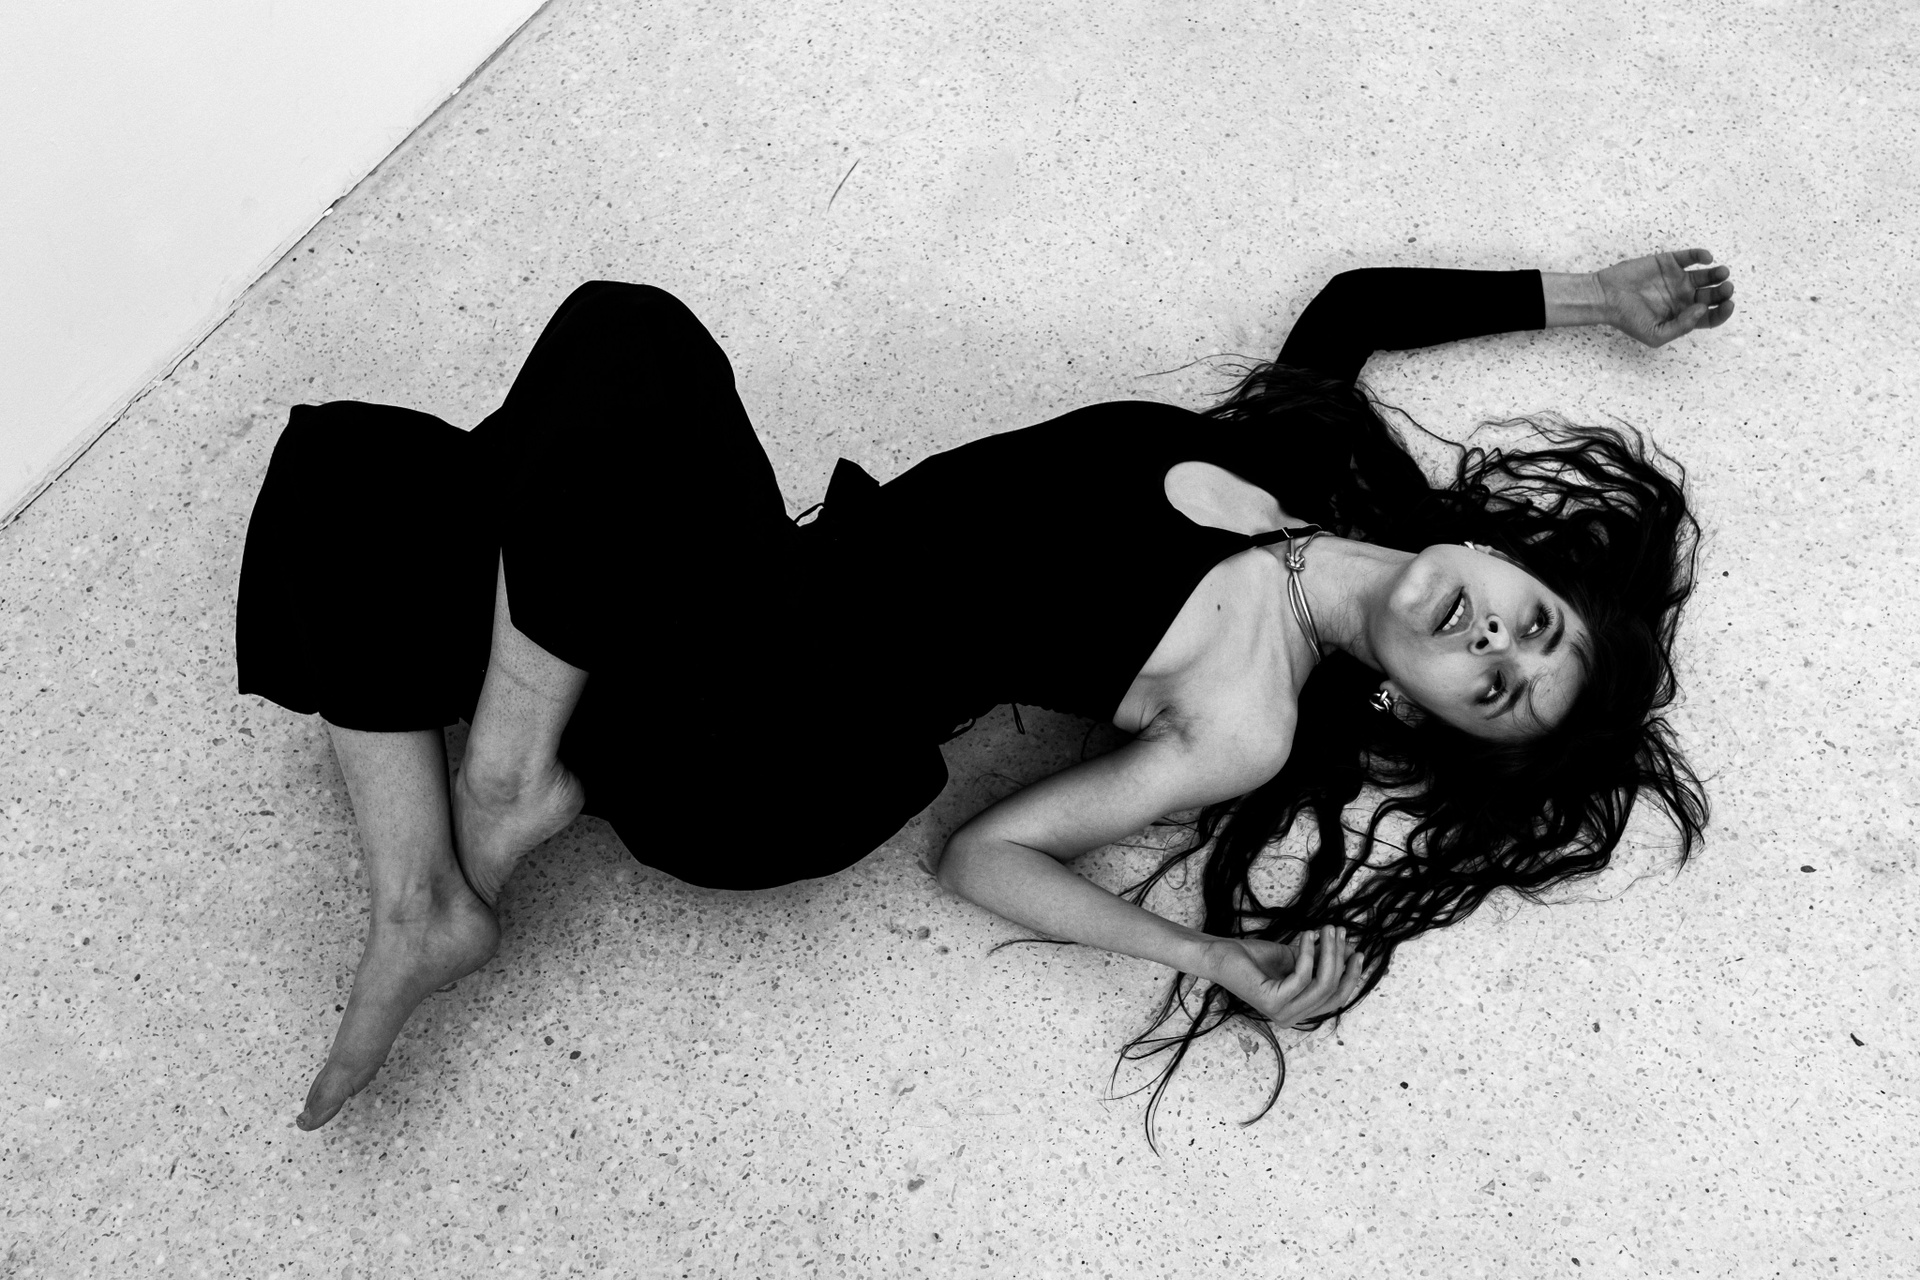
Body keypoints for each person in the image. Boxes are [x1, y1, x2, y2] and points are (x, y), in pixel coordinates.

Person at [237, 248, 1732, 1133]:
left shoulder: (1249, 718)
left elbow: (983, 854)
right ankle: (441, 874)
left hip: (768, 752)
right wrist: (1597, 297)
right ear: (1501, 556)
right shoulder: (1302, 455)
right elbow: (1357, 302)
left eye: (1497, 690)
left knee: (630, 345)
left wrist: (1206, 956)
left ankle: (496, 796)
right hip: (737, 596)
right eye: (1533, 625)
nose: (1494, 644)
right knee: (358, 468)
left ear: (1419, 712)